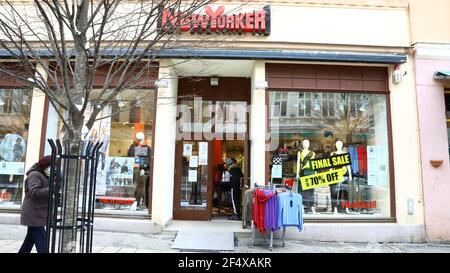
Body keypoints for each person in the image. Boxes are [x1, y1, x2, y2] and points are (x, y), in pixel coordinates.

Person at [19, 155, 52, 253]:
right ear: (46, 165)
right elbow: (35, 192)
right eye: (52, 166)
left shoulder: (44, 174)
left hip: (37, 213)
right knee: (41, 240)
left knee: (30, 240)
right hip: (34, 213)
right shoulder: (35, 175)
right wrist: (51, 189)